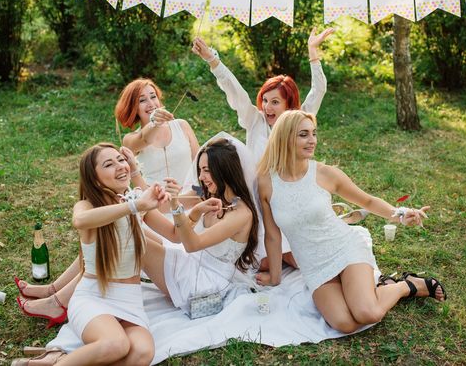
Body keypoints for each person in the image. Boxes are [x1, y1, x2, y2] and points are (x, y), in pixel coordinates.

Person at [256, 111, 446, 334]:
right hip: (314, 266)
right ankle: (384, 287)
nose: (312, 140)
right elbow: (272, 236)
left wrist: (401, 214)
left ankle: (408, 285)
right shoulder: (267, 183)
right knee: (345, 324)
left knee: (368, 313)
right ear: (285, 138)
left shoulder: (325, 174)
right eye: (304, 135)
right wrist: (275, 278)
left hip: (344, 249)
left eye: (314, 133)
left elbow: (367, 200)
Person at [192, 30, 338, 269]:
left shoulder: (297, 121)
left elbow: (319, 90)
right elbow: (235, 91)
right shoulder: (255, 120)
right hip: (257, 200)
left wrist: (313, 53)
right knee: (263, 262)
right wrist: (212, 59)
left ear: (289, 105)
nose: (267, 107)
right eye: (265, 100)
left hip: (289, 201)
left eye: (275, 102)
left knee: (301, 259)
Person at [21, 143, 168, 365]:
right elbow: (80, 220)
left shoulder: (134, 201)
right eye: (109, 164)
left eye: (121, 160)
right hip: (93, 298)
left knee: (141, 354)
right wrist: (135, 206)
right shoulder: (87, 206)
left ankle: (61, 359)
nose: (120, 166)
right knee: (116, 344)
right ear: (95, 179)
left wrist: (182, 207)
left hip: (130, 301)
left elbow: (173, 236)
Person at [140, 136, 259, 315]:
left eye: (206, 170)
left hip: (207, 282)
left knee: (136, 243)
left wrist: (180, 207)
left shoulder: (240, 213)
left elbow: (192, 245)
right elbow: (163, 206)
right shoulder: (205, 192)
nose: (201, 177)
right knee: (136, 231)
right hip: (192, 264)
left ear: (224, 171)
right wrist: (167, 195)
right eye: (200, 170)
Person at [115, 78, 199, 187]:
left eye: (153, 97)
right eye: (142, 100)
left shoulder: (182, 125)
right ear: (133, 108)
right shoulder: (130, 139)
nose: (151, 104)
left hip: (190, 194)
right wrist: (154, 123)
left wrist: (196, 193)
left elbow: (199, 164)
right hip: (156, 196)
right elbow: (144, 139)